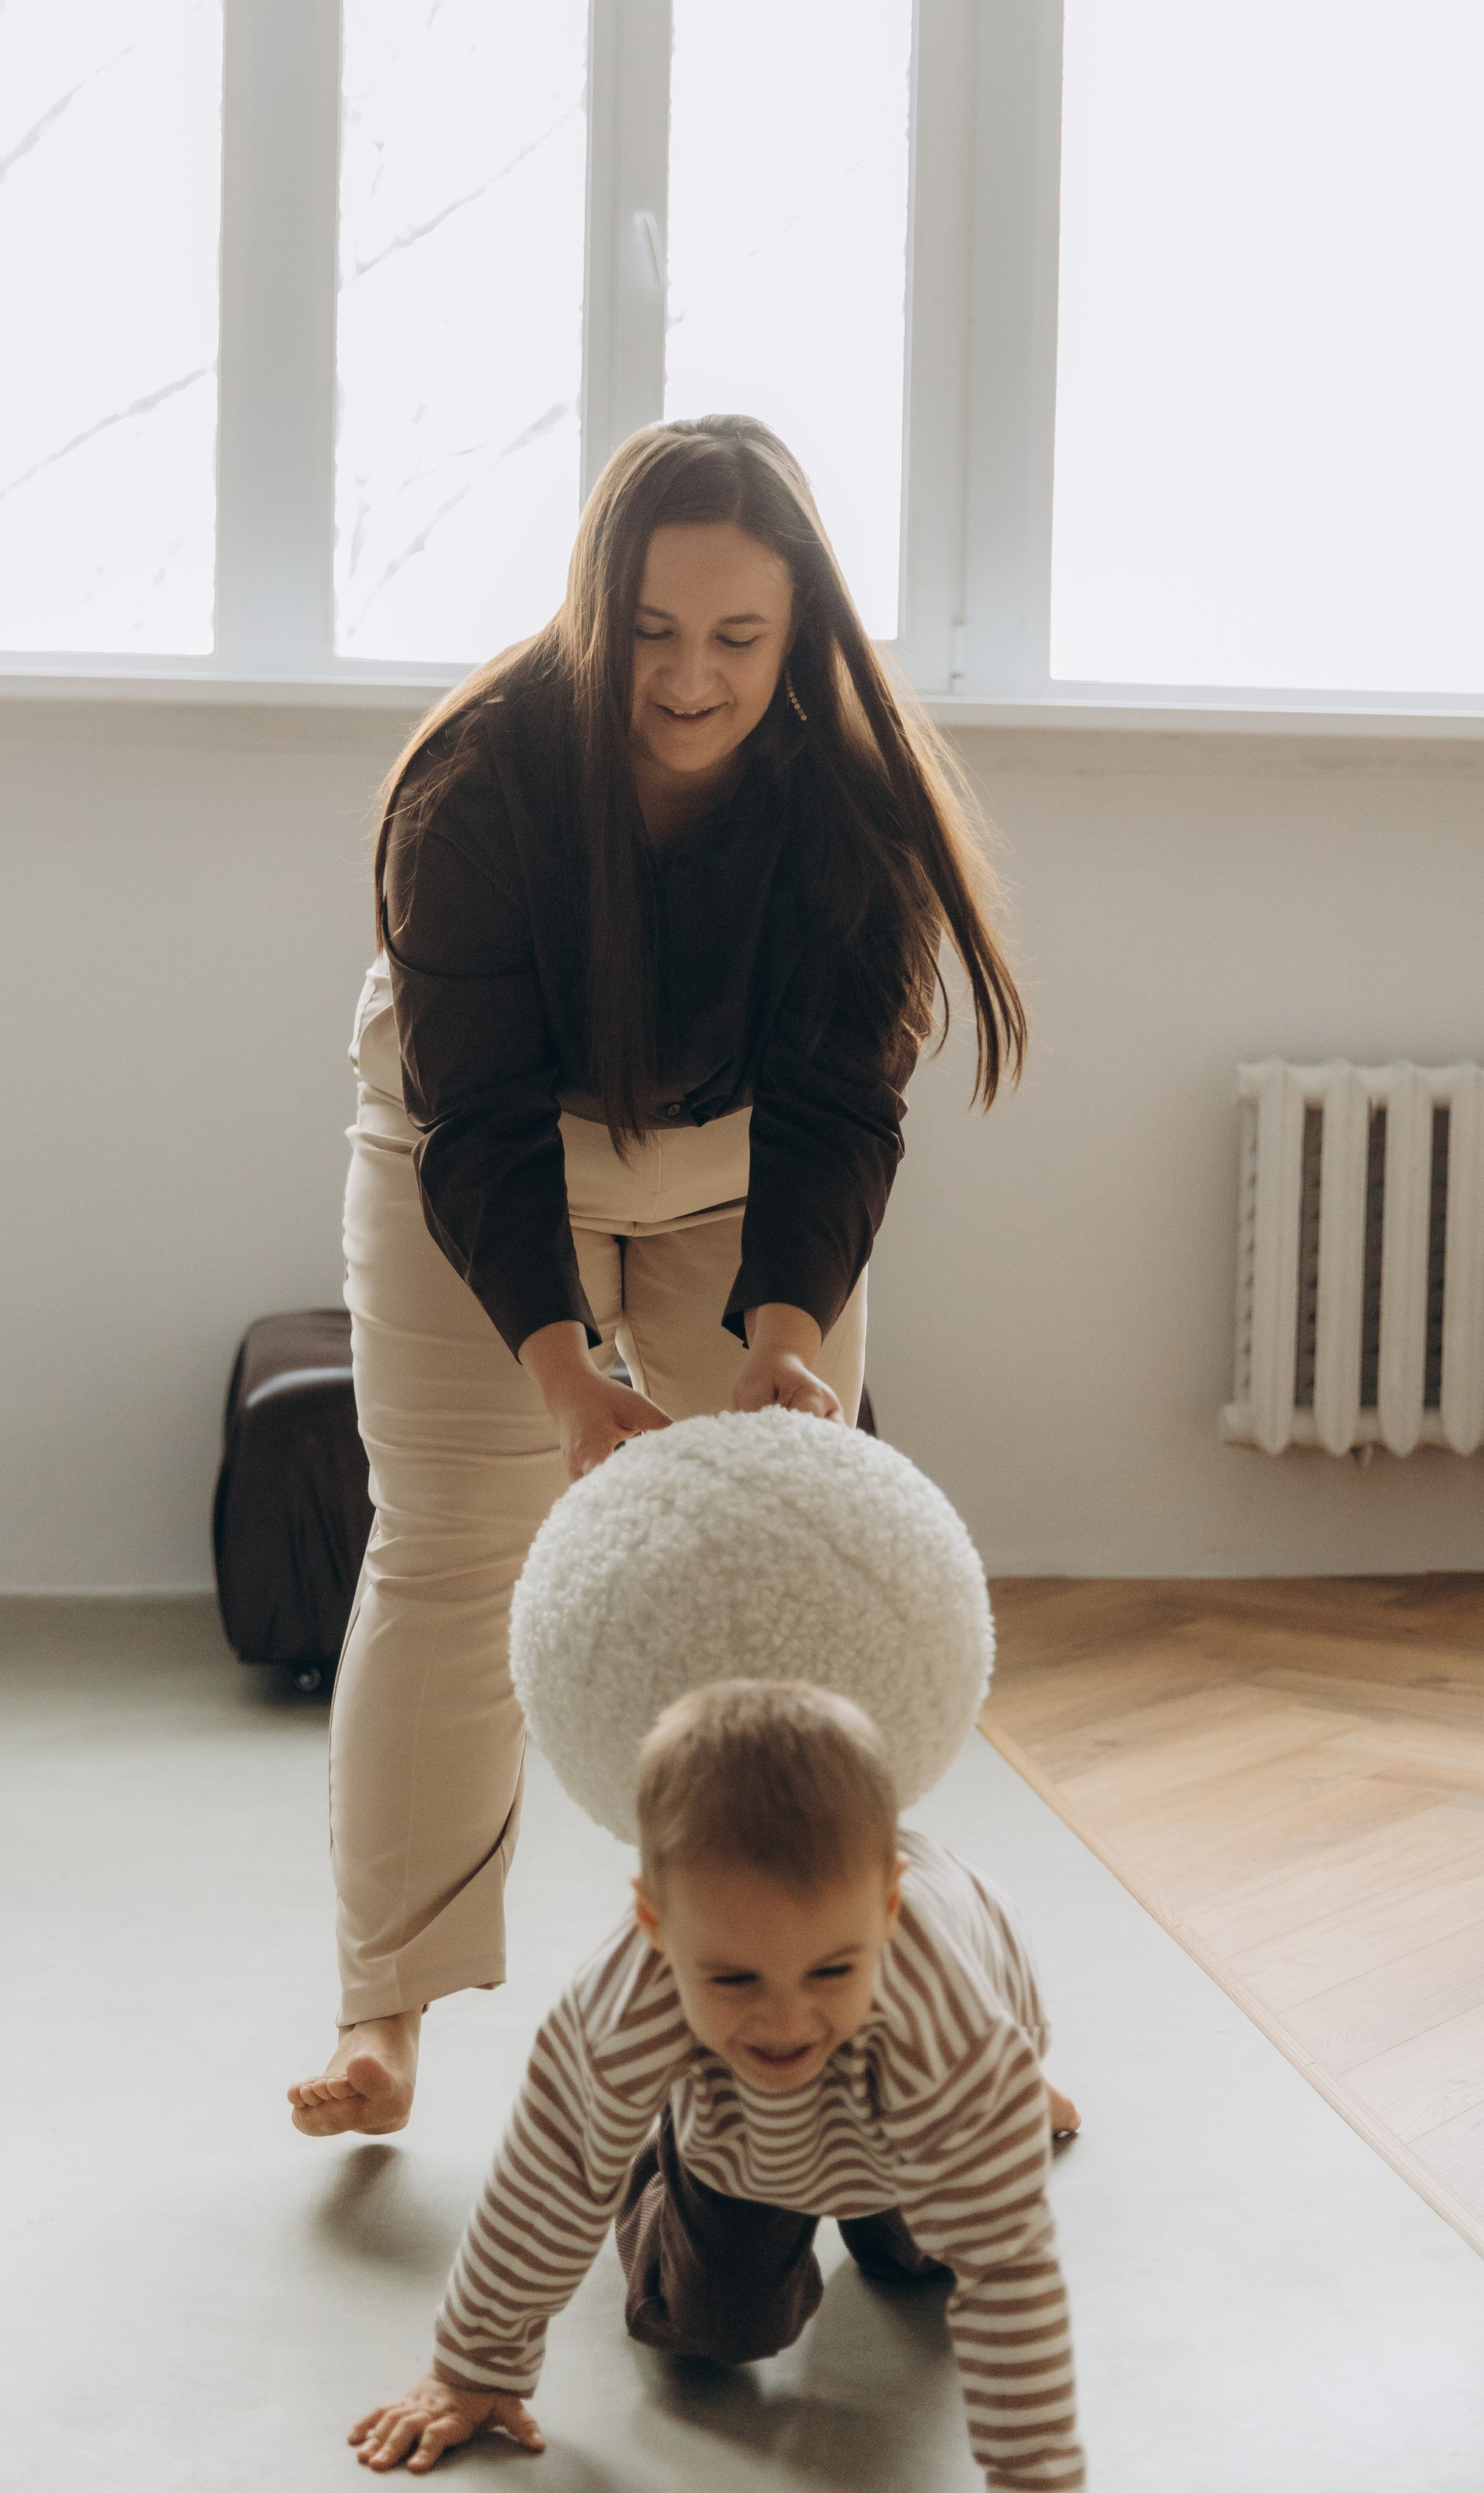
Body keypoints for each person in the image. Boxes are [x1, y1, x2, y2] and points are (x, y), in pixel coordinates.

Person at [290, 416, 1027, 2137]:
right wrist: (561, 1375)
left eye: (736, 638)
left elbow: (846, 1100)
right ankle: (382, 2009)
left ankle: (903, 1997)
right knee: (454, 1550)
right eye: (649, 632)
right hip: (473, 1141)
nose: (687, 678)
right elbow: (472, 1118)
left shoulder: (850, 802)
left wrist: (781, 1340)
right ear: (591, 609)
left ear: (799, 638)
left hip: (742, 1153)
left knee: (795, 1560)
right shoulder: (473, 782)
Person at [347, 1682, 1085, 2490]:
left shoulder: (944, 2021)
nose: (785, 2019)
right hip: (738, 2123)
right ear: (657, 1926)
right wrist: (474, 2367)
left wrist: (1037, 2478)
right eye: (733, 1977)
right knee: (705, 2327)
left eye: (829, 1969)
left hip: (914, 2092)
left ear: (885, 1909)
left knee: (925, 2257)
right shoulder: (627, 1995)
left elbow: (1006, 2263)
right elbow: (549, 2173)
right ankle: (653, 2145)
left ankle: (1012, 2099)